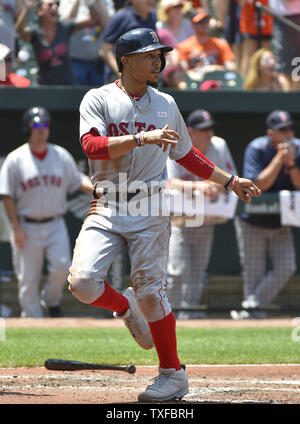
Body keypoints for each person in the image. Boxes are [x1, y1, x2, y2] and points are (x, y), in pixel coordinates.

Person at [66, 27, 261, 402]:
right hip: (107, 201)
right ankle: (126, 308)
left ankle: (173, 375)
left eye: (159, 55)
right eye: (148, 55)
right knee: (83, 283)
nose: (157, 60)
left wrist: (229, 180)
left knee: (152, 292)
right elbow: (91, 145)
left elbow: (186, 154)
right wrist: (142, 138)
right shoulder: (99, 97)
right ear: (126, 60)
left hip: (150, 203)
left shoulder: (165, 103)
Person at [0, 106, 93, 318]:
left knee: (63, 268)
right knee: (27, 279)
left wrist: (97, 189)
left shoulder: (60, 155)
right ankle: (34, 320)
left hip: (55, 223)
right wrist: (15, 227)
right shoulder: (16, 159)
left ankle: (51, 300)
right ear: (28, 128)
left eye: (45, 125)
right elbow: (6, 194)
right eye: (37, 125)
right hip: (26, 225)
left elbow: (78, 180)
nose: (42, 129)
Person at [166, 109, 237, 319]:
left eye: (210, 128)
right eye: (203, 130)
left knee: (197, 271)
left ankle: (191, 311)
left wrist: (219, 185)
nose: (209, 133)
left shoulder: (219, 145)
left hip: (206, 218)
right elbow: (169, 181)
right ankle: (171, 312)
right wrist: (200, 187)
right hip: (180, 219)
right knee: (176, 270)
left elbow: (230, 177)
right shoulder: (178, 146)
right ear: (190, 131)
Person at [231, 110, 300, 320]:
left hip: (280, 221)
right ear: (271, 133)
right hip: (252, 221)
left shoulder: (297, 147)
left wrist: (291, 163)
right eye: (282, 130)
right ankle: (253, 318)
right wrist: (280, 158)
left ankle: (250, 308)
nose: (288, 133)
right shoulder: (257, 147)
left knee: (287, 266)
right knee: (253, 274)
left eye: (289, 128)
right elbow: (257, 185)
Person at [15, 0, 102, 85]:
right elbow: (20, 31)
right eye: (50, 5)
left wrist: (90, 2)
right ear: (39, 11)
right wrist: (26, 9)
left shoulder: (64, 27)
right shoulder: (35, 32)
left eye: (56, 4)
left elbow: (93, 19)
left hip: (68, 86)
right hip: (44, 88)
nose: (55, 7)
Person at [58, 0, 113, 86]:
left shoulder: (106, 1)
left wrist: (97, 2)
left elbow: (109, 26)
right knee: (75, 96)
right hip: (74, 60)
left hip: (97, 62)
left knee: (97, 96)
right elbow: (65, 24)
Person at [100, 0, 157, 76]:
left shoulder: (152, 16)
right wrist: (121, 73)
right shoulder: (121, 17)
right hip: (120, 78)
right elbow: (105, 50)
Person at [177, 7, 236, 78]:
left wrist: (215, 68)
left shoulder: (220, 43)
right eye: (200, 22)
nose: (205, 24)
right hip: (195, 83)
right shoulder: (184, 46)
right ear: (192, 25)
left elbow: (231, 68)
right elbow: (184, 71)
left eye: (206, 20)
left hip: (217, 80)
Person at [236, 0, 273, 78]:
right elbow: (241, 3)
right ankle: (245, 83)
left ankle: (266, 82)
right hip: (249, 25)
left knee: (265, 55)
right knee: (249, 55)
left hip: (266, 25)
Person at [269, 0, 300, 90]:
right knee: (285, 67)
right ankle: (288, 99)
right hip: (284, 18)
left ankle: (293, 99)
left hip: (291, 19)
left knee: (295, 65)